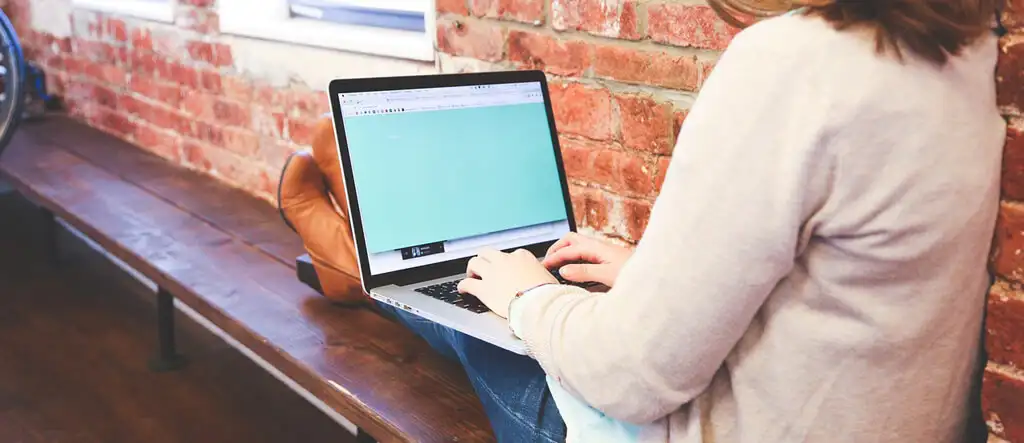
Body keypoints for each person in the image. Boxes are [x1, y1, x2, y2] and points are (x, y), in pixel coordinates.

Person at [278, 0, 1006, 441]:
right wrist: (654, 277)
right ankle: (370, 258)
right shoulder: (967, 53)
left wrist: (529, 297)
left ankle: (358, 261)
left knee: (485, 316)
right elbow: (840, 290)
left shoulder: (795, 63)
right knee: (506, 283)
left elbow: (634, 378)